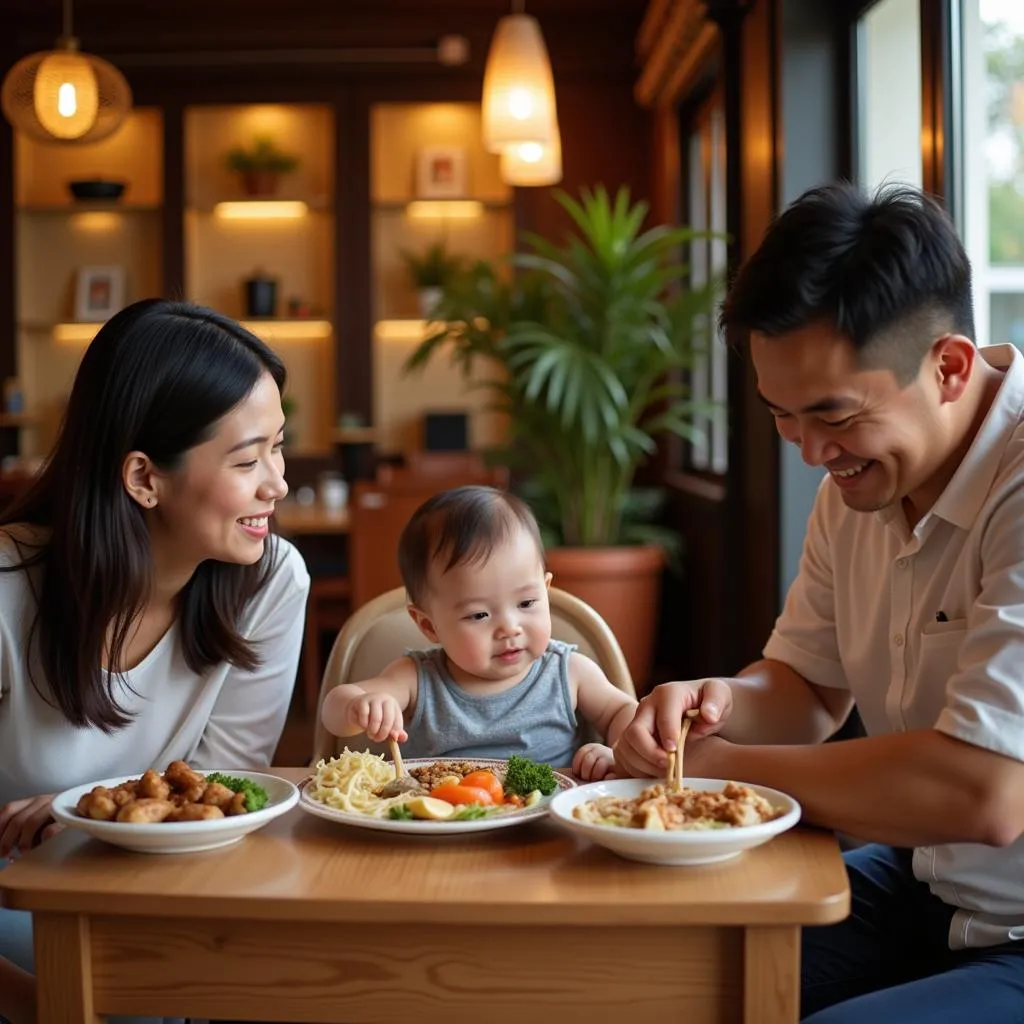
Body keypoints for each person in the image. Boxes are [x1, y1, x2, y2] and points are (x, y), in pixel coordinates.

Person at [613, 182, 1024, 1022]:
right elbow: (806, 687)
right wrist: (714, 709)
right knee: (646, 972)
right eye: (781, 418)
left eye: (832, 415)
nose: (808, 453)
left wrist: (724, 769)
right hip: (928, 885)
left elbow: (983, 793)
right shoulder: (863, 479)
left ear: (947, 367)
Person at [0, 298, 310, 1024]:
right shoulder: (9, 590)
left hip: (165, 887)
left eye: (279, 446)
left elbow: (222, 796)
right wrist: (38, 1007)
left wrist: (83, 814)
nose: (279, 483)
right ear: (144, 478)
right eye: (247, 458)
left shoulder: (269, 581)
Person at [320, 485, 636, 781]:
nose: (509, 628)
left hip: (545, 826)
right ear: (429, 625)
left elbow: (623, 711)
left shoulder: (569, 672)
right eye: (479, 615)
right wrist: (357, 707)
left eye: (526, 602)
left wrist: (618, 753)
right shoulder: (417, 679)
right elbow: (334, 710)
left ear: (546, 591)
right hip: (440, 826)